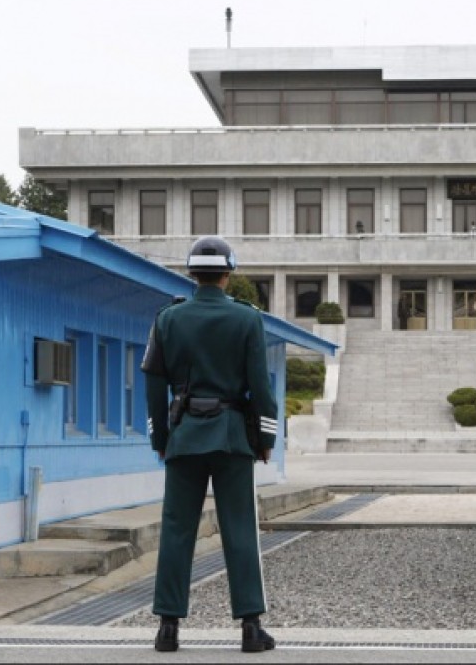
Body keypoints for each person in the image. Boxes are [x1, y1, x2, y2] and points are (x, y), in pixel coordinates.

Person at [141, 235, 279, 653]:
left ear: (192, 274)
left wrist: (161, 438)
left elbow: (154, 384)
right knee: (240, 529)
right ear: (228, 274)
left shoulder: (167, 319)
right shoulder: (247, 319)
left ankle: (168, 627)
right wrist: (265, 437)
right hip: (232, 437)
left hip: (184, 437)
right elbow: (260, 386)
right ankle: (251, 627)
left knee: (176, 530)